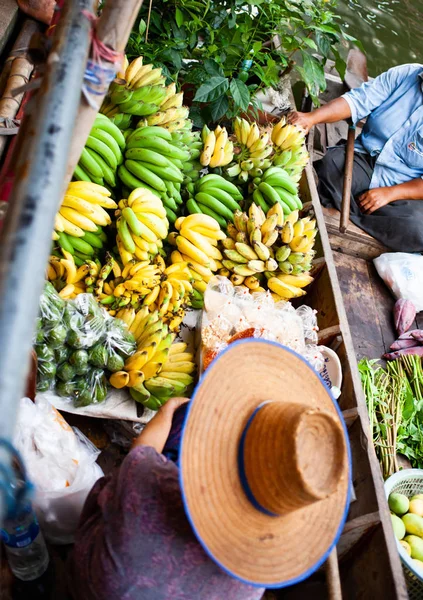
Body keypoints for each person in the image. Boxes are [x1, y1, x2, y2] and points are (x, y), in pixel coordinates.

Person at [68, 340, 350, 600]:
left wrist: (169, 409)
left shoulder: (150, 480)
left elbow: (141, 452)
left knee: (179, 425)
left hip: (91, 587)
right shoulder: (254, 577)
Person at [290, 63, 423, 252]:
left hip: (405, 186)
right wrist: (311, 118)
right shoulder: (406, 74)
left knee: (418, 230)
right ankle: (360, 213)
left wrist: (390, 193)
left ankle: (344, 209)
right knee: (328, 167)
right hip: (364, 159)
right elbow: (357, 101)